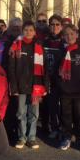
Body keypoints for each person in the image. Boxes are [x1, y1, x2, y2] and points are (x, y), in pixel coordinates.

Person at [8, 20, 49, 149]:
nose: (28, 32)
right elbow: (11, 67)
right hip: (20, 85)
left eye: (31, 30)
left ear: (35, 32)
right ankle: (21, 137)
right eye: (26, 30)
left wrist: (45, 86)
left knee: (34, 113)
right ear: (22, 31)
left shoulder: (39, 47)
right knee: (21, 113)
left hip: (36, 85)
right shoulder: (15, 46)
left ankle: (31, 137)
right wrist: (13, 86)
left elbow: (45, 68)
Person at [58, 24, 80, 151]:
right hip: (65, 89)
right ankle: (67, 137)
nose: (69, 36)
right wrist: (61, 84)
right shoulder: (62, 51)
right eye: (66, 34)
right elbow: (56, 70)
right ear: (63, 36)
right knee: (66, 115)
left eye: (72, 34)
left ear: (77, 35)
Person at [42, 14, 64, 138]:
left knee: (64, 105)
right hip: (49, 77)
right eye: (52, 24)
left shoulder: (65, 41)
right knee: (52, 104)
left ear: (61, 26)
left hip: (63, 78)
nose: (54, 27)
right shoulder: (44, 41)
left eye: (57, 24)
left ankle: (64, 128)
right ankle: (54, 127)